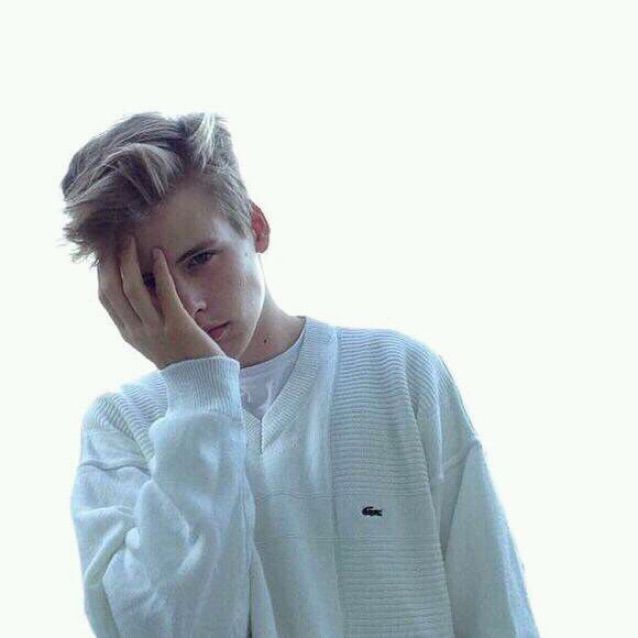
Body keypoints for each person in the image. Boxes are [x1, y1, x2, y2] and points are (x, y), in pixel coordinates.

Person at [63, 111, 541, 637]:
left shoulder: (399, 374)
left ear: (255, 226)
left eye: (200, 259)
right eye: (152, 284)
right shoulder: (120, 427)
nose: (189, 304)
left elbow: (495, 604)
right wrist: (198, 394)